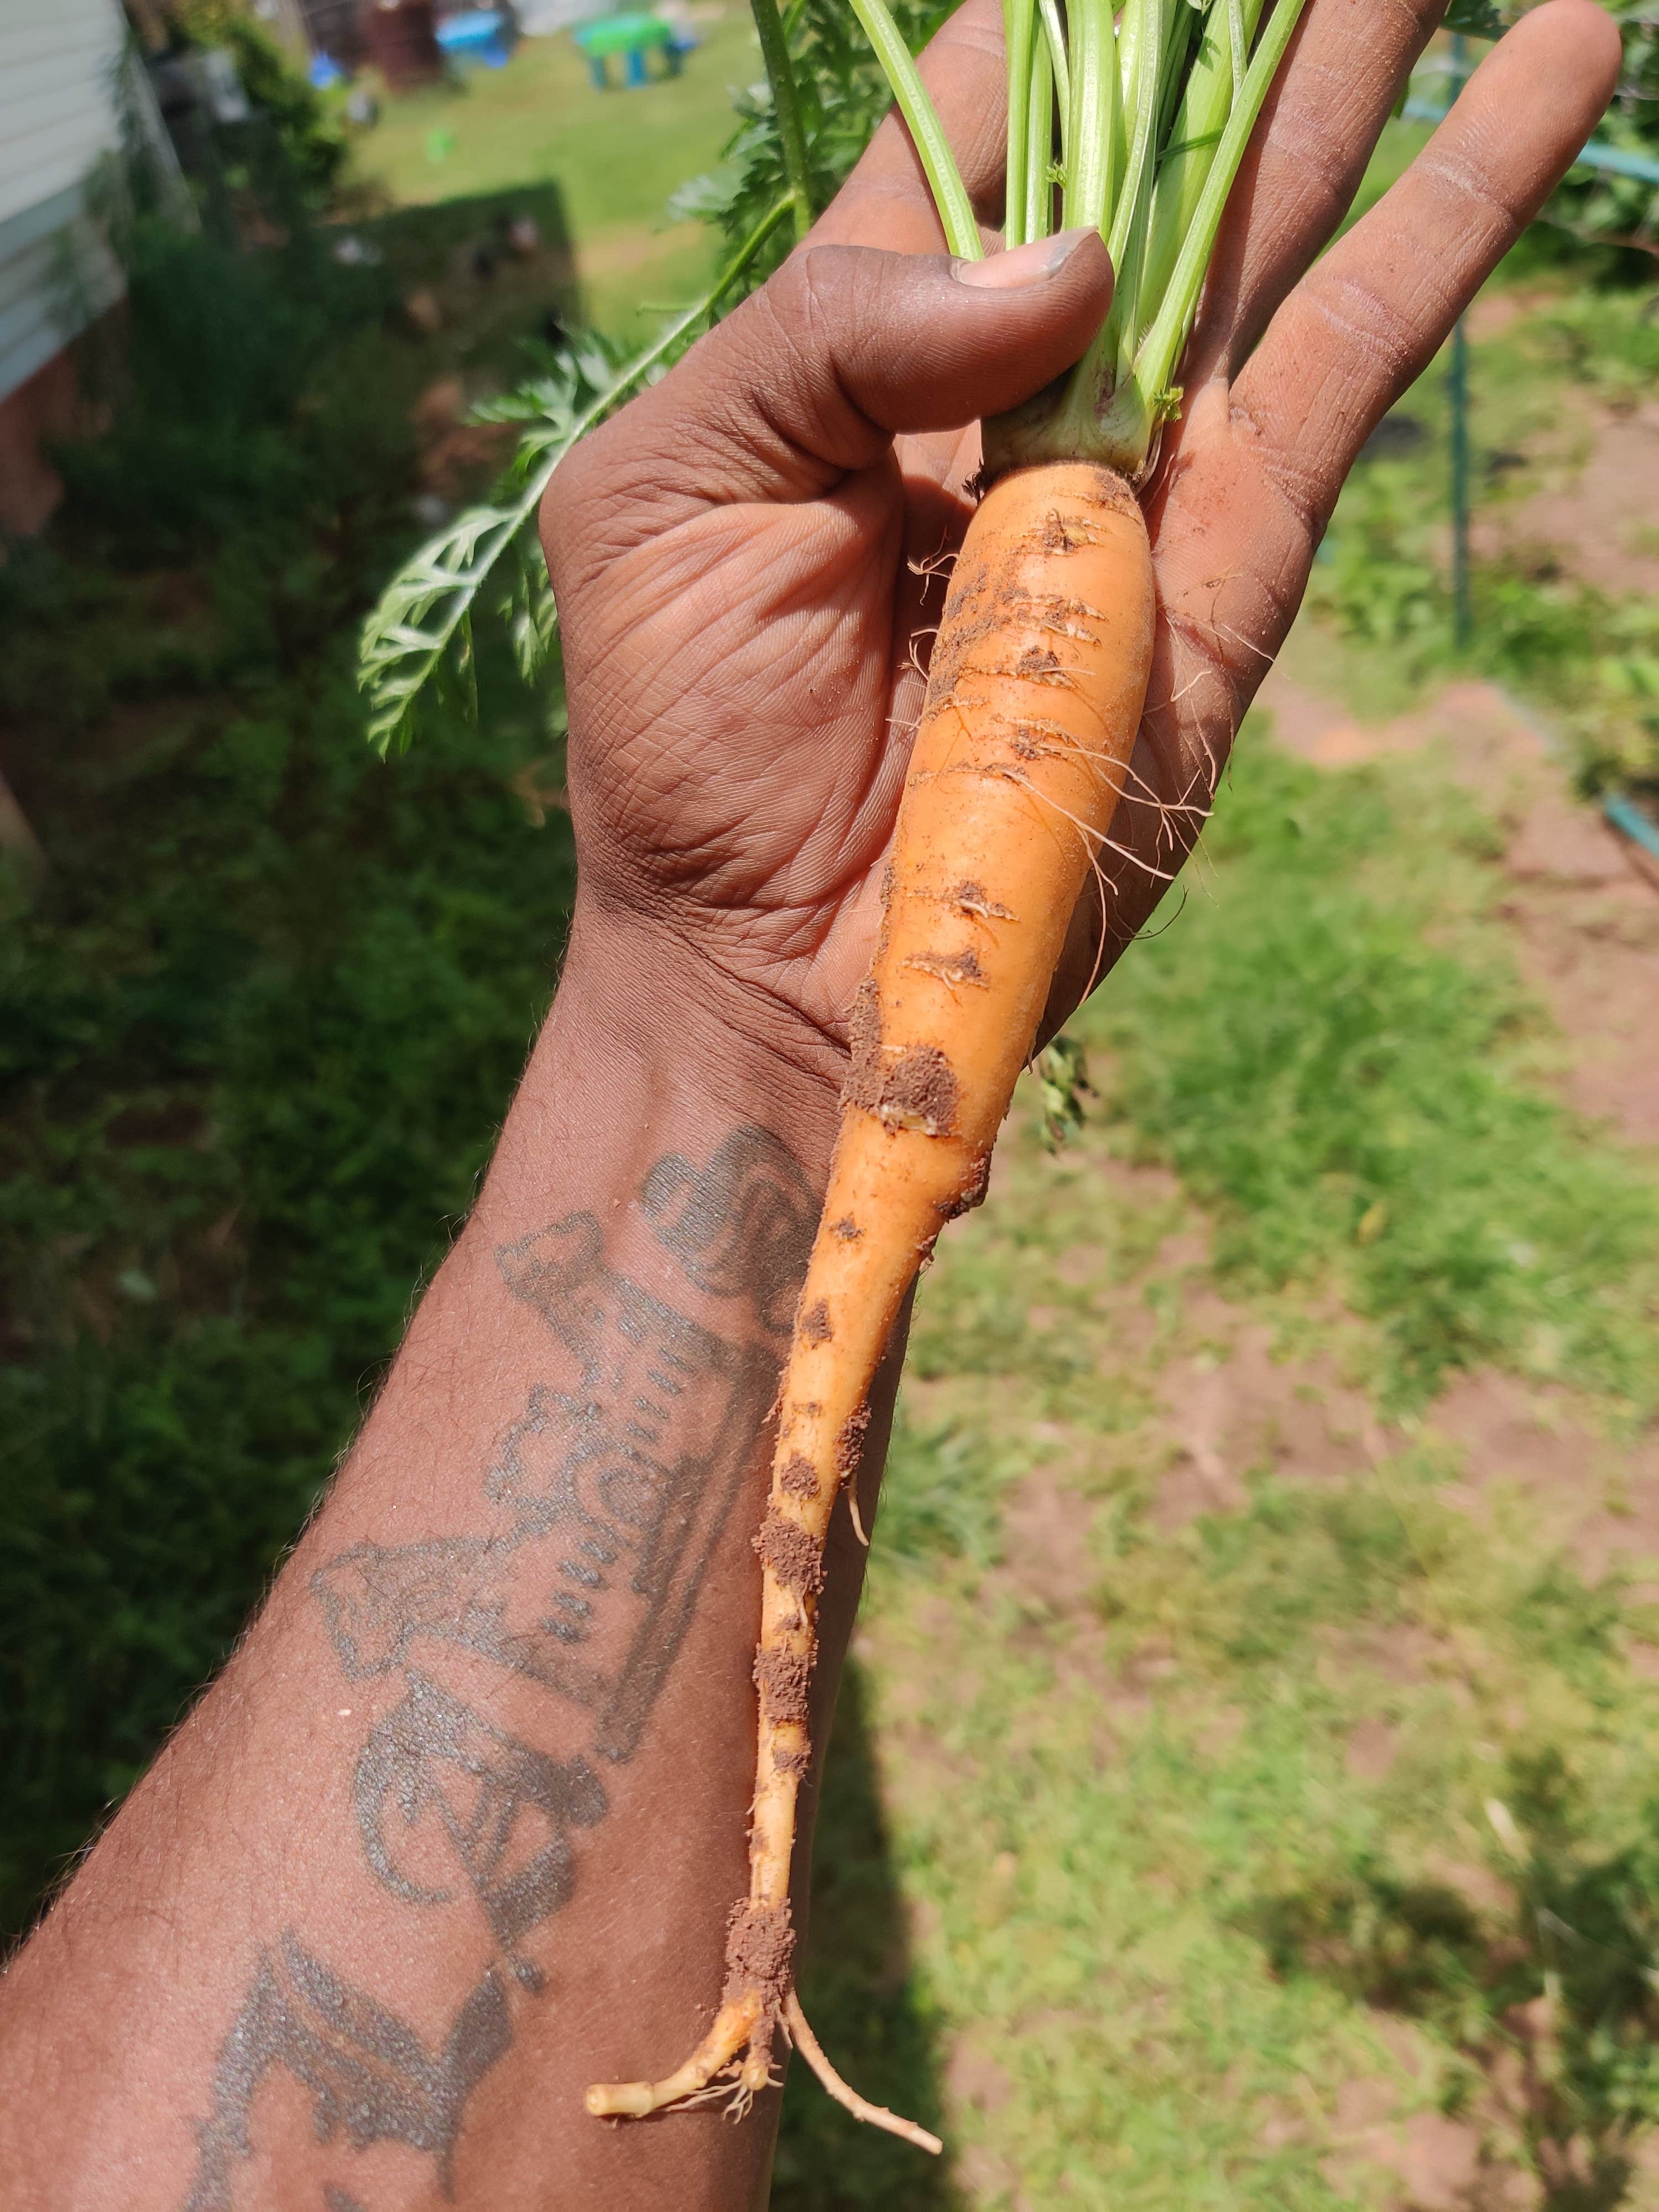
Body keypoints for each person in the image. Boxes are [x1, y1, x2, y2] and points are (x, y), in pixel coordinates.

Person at [0, 3, 1618, 2204]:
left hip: (1066, 534)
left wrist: (733, 1018)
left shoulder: (1074, 512)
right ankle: (762, 1916)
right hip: (1059, 549)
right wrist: (732, 992)